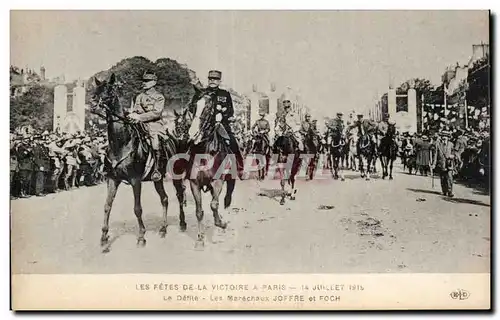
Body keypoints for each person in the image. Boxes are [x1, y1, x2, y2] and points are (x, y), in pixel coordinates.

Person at [188, 70, 245, 179]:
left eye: (215, 79)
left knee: (232, 143)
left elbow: (230, 111)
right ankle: (186, 167)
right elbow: (192, 107)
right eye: (211, 79)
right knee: (189, 143)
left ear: (219, 81)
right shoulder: (201, 92)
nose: (213, 81)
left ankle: (239, 167)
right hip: (203, 126)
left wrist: (222, 116)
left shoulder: (224, 94)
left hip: (221, 125)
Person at [128, 72, 166, 182]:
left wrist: (139, 117)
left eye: (147, 81)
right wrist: (132, 115)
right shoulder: (139, 96)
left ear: (154, 82)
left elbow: (156, 113)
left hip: (154, 125)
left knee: (155, 143)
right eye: (143, 81)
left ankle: (157, 169)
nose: (144, 83)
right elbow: (136, 109)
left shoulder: (159, 97)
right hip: (139, 124)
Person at [431, 131, 455, 197]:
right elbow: (435, 155)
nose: (444, 137)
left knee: (450, 178)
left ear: (448, 137)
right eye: (443, 136)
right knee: (443, 178)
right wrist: (434, 164)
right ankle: (444, 190)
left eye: (446, 136)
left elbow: (453, 152)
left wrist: (452, 156)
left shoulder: (451, 144)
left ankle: (450, 191)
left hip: (449, 163)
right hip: (441, 163)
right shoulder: (438, 144)